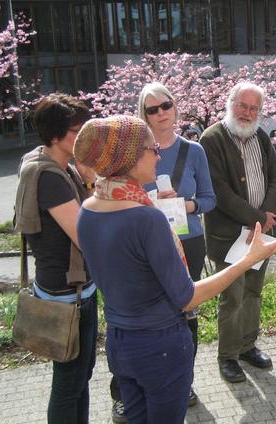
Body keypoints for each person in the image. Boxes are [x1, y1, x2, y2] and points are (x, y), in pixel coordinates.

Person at [74, 115, 276, 423]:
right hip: (160, 344)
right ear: (130, 158)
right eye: (151, 148)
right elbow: (186, 297)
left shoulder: (89, 208)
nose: (158, 154)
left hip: (120, 341)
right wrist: (246, 260)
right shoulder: (146, 219)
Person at [103, 82, 217, 420]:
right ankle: (124, 391)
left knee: (186, 313)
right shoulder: (131, 153)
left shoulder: (194, 151)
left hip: (189, 241)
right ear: (143, 114)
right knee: (138, 316)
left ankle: (184, 380)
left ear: (175, 106)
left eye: (164, 105)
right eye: (151, 109)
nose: (160, 113)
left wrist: (186, 204)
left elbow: (211, 199)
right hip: (142, 245)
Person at [13, 93, 96, 423]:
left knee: (81, 377)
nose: (83, 138)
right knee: (69, 383)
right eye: (78, 131)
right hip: (67, 296)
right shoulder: (50, 178)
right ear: (56, 135)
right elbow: (86, 235)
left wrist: (87, 176)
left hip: (76, 290)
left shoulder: (64, 168)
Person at [199, 82, 276, 383]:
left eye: (254, 108)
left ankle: (248, 345)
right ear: (229, 102)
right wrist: (258, 218)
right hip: (231, 234)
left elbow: (275, 175)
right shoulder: (212, 139)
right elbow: (219, 191)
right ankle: (228, 356)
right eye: (242, 105)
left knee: (253, 291)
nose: (247, 113)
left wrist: (267, 216)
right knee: (232, 297)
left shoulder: (260, 136)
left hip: (261, 232)